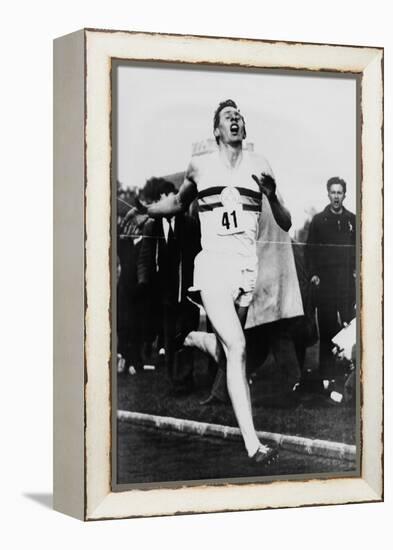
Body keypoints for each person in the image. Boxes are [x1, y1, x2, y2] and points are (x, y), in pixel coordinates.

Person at [123, 99, 292, 463]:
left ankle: (200, 338)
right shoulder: (200, 167)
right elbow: (179, 204)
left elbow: (286, 220)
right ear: (216, 130)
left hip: (248, 268)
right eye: (227, 117)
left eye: (239, 116)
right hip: (214, 266)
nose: (235, 120)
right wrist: (147, 210)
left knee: (233, 352)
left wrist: (272, 195)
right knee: (239, 348)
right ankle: (253, 445)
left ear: (243, 129)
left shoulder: (260, 166)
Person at [137, 177, 201, 394]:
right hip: (163, 292)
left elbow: (197, 255)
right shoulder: (152, 226)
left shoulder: (190, 224)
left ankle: (186, 378)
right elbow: (145, 257)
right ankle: (175, 379)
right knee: (169, 335)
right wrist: (144, 282)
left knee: (187, 334)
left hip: (187, 290)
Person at [306, 177, 356, 381]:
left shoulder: (352, 219)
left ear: (345, 195)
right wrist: (314, 274)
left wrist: (356, 271)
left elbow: (358, 249)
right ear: (328, 194)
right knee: (327, 329)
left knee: (348, 326)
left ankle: (348, 372)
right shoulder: (319, 220)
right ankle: (326, 376)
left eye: (340, 192)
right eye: (333, 192)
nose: (336, 196)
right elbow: (310, 251)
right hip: (325, 283)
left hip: (346, 283)